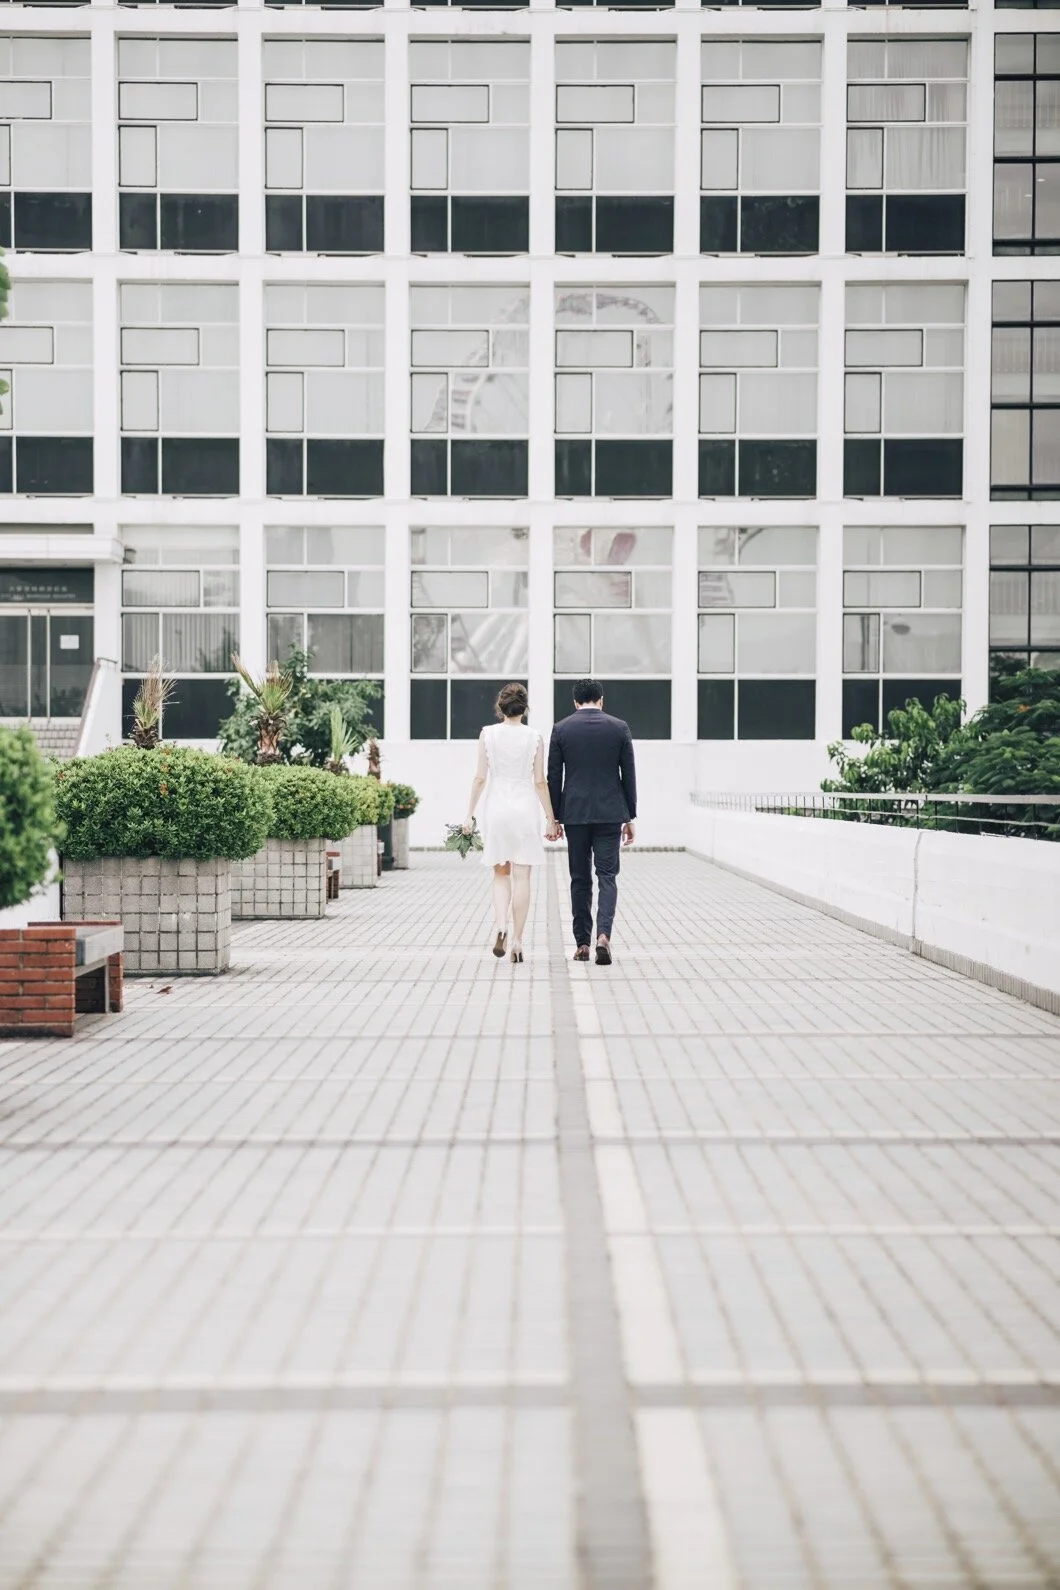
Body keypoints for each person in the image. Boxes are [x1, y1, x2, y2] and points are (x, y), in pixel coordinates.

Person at [462, 682, 559, 964]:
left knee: (500, 873)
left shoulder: (487, 735)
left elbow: (480, 777)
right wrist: (551, 819)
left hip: (497, 808)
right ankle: (517, 940)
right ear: (524, 707)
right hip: (525, 809)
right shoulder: (535, 737)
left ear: (500, 707)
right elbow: (540, 782)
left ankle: (501, 924)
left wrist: (468, 813)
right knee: (523, 876)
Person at [547, 678, 636, 966]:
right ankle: (604, 937)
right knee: (607, 876)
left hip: (574, 815)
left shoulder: (561, 729)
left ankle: (582, 943)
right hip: (611, 813)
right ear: (601, 700)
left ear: (575, 702)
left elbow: (554, 777)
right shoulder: (619, 727)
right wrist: (630, 815)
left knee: (579, 878)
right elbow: (628, 775)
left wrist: (555, 817)